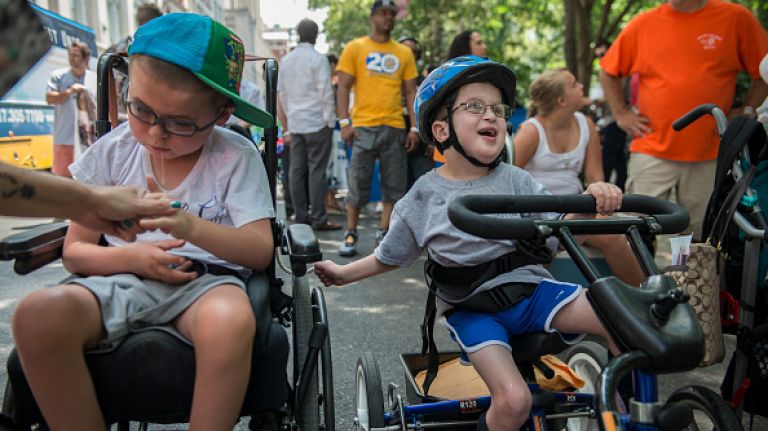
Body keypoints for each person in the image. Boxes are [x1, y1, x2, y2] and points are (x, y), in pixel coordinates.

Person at [315, 56, 622, 431]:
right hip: (474, 310)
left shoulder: (516, 180)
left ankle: (623, 411)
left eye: (497, 108)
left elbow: (555, 236)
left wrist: (591, 202)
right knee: (513, 401)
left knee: (621, 318)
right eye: (475, 106)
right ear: (441, 130)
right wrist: (343, 274)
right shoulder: (423, 196)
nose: (491, 115)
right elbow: (389, 256)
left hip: (532, 293)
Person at [12, 13, 275, 430]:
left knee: (231, 320)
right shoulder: (113, 151)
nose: (156, 134)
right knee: (36, 314)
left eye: (180, 123)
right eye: (141, 110)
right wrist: (134, 259)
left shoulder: (235, 156)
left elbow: (260, 251)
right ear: (127, 89)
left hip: (205, 281)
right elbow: (75, 252)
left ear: (223, 114)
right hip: (120, 276)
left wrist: (187, 227)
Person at [599, 0, 768, 241]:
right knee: (636, 231)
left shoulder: (735, 17)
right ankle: (639, 280)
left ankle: (696, 281)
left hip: (711, 152)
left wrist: (748, 109)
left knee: (703, 238)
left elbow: (764, 69)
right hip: (651, 148)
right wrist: (621, 114)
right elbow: (607, 70)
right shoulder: (643, 24)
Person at [513, 70, 644, 286]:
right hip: (539, 211)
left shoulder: (586, 124)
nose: (582, 86)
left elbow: (595, 178)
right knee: (546, 244)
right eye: (574, 84)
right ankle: (529, 293)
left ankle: (644, 298)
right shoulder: (532, 131)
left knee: (615, 236)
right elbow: (508, 178)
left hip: (576, 207)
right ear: (561, 100)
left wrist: (602, 198)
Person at [335, 0, 419, 256]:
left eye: (392, 14)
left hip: (394, 127)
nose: (388, 18)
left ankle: (383, 235)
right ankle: (351, 232)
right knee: (358, 183)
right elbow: (343, 86)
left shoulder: (403, 53)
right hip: (362, 128)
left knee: (393, 186)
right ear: (372, 17)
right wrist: (344, 123)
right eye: (383, 13)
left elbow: (411, 92)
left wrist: (414, 128)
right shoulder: (355, 47)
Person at [277, 18, 340, 231]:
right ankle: (319, 218)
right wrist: (330, 121)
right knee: (317, 172)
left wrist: (287, 125)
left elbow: (282, 95)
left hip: (296, 123)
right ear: (315, 35)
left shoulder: (286, 61)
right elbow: (325, 93)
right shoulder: (318, 59)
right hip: (317, 122)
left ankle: (300, 216)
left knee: (296, 171)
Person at [46, 42, 95, 177]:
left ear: (85, 58)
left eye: (76, 55)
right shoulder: (58, 76)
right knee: (63, 181)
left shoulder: (93, 78)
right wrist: (70, 91)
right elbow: (49, 98)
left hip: (89, 140)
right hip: (65, 139)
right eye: (70, 55)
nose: (71, 58)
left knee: (89, 181)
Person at [398, 36, 434, 189]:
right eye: (404, 50)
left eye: (413, 51)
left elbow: (432, 112)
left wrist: (432, 142)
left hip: (421, 143)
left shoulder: (425, 81)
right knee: (398, 187)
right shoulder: (389, 80)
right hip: (395, 140)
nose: (408, 54)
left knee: (423, 187)